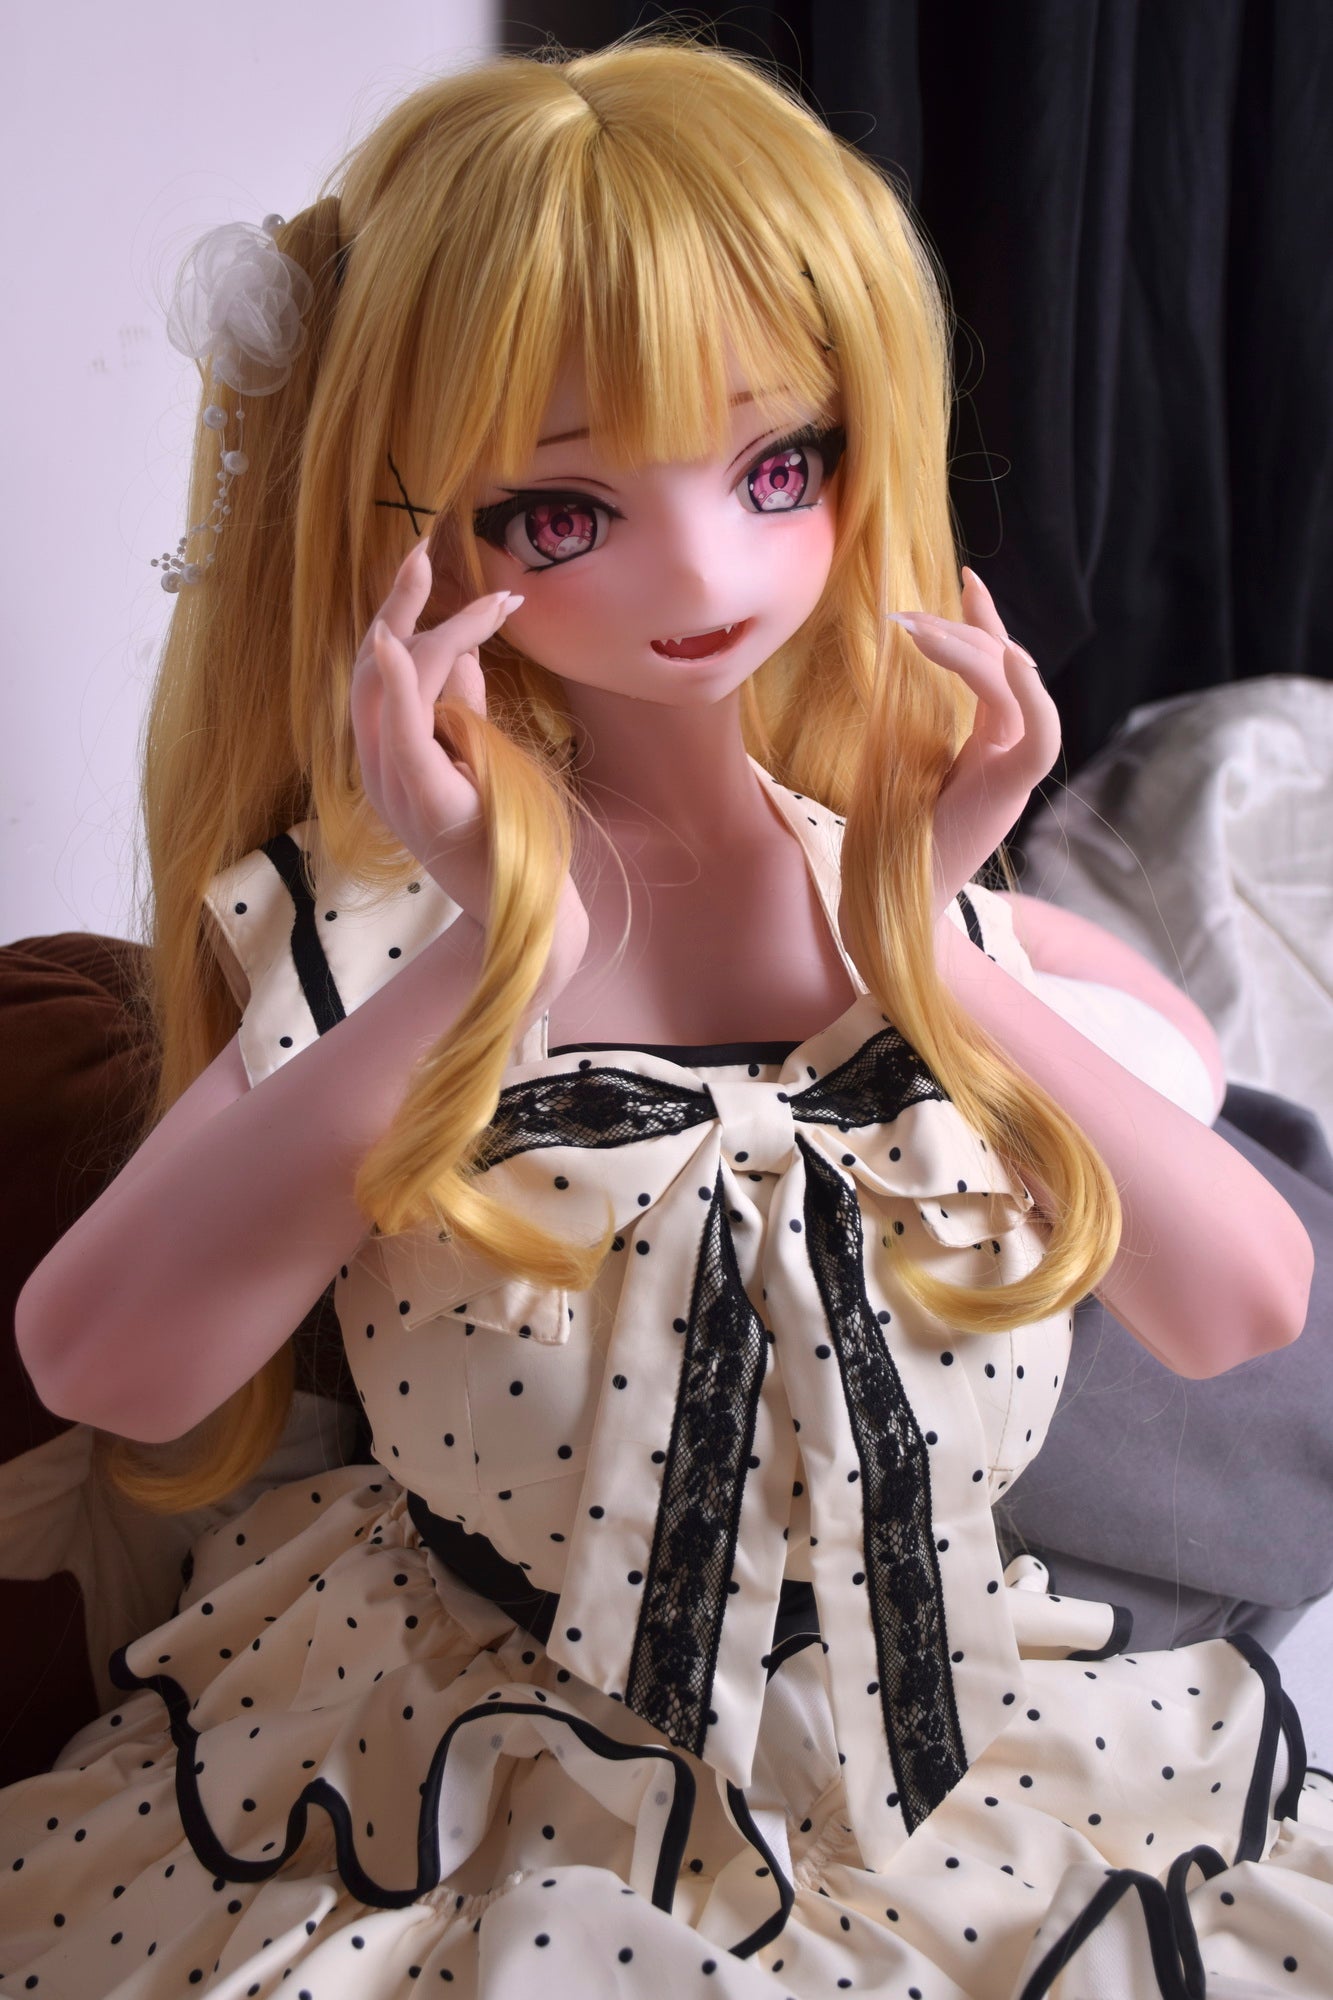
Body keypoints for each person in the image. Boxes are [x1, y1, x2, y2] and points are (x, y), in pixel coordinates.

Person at [3, 37, 1327, 1999]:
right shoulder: (375, 938)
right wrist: (490, 956)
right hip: (469, 1783)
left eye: (777, 467)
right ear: (406, 524)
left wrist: (932, 954)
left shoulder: (918, 898)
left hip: (961, 1771)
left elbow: (1243, 1307)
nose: (704, 566)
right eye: (561, 511)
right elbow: (111, 1360)